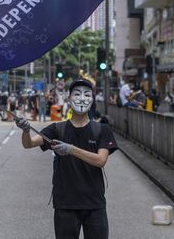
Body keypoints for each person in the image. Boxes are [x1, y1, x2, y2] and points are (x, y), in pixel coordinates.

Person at [16, 78, 117, 239]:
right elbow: (29, 144)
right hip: (65, 204)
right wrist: (26, 130)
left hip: (94, 204)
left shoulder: (102, 130)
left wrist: (71, 149)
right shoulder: (57, 129)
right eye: (77, 94)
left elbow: (100, 160)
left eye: (87, 95)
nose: (82, 98)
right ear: (69, 98)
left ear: (92, 99)